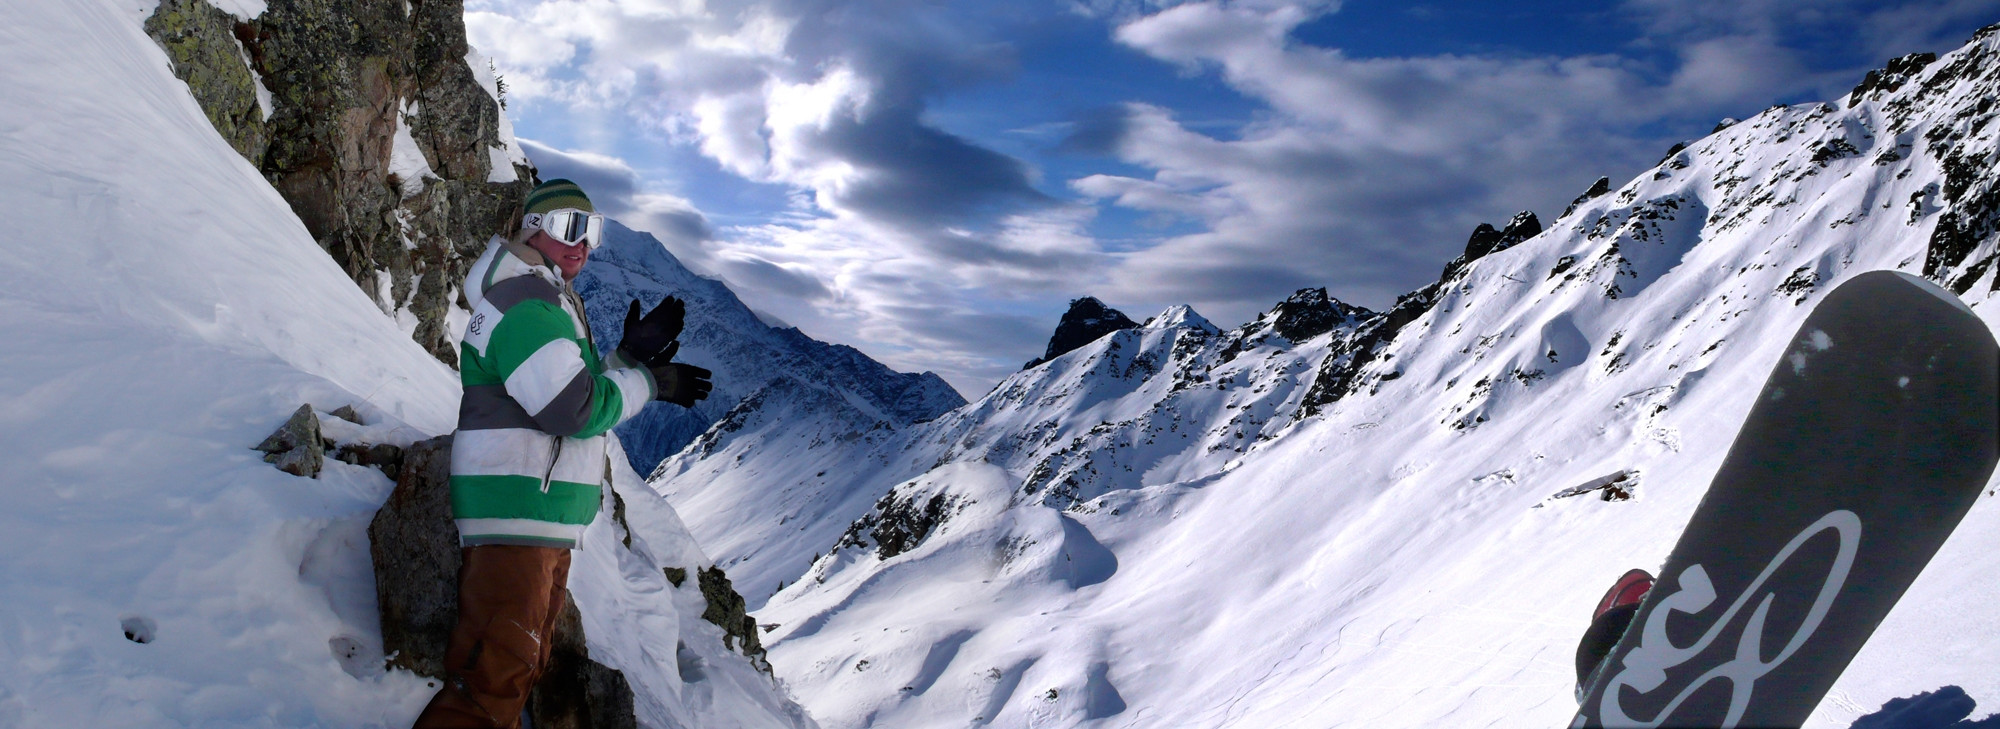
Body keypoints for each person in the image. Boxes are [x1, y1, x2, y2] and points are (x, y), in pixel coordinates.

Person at [415, 178, 712, 728]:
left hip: (538, 517)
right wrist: (650, 382)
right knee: (493, 678)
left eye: (593, 230)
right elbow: (570, 411)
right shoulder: (525, 304)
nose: (585, 244)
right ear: (534, 229)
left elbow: (564, 389)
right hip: (516, 516)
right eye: (571, 227)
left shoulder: (547, 299)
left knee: (520, 664)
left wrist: (625, 357)